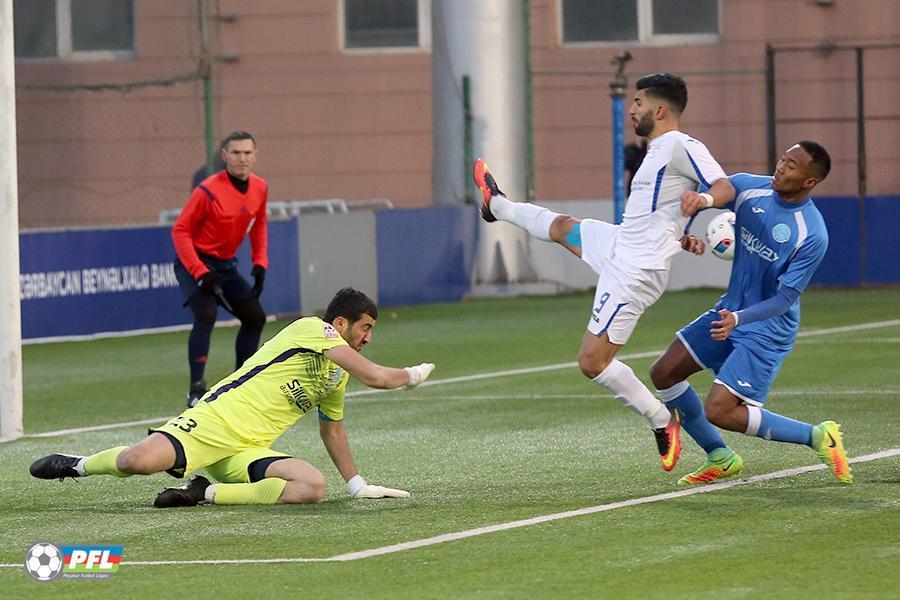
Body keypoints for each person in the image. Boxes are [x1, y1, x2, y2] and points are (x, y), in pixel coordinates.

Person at [474, 73, 733, 471]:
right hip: (620, 244)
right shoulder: (656, 151)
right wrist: (679, 235)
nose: (632, 109)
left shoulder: (683, 145)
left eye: (638, 102)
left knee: (592, 362)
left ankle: (661, 420)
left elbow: (724, 186)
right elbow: (659, 212)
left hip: (634, 271)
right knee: (563, 227)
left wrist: (704, 199)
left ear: (659, 109)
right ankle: (498, 205)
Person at [29, 288, 436, 507]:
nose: (368, 338)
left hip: (248, 450)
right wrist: (412, 375)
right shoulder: (313, 329)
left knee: (310, 487)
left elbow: (333, 431)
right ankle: (78, 464)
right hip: (214, 422)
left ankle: (202, 493)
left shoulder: (336, 374)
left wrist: (357, 485)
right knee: (135, 462)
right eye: (365, 328)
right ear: (341, 323)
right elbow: (377, 377)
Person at [649, 141, 852, 485]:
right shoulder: (751, 188)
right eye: (783, 159)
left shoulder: (812, 233)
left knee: (720, 410)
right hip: (729, 310)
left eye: (791, 166)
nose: (781, 167)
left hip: (766, 329)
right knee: (664, 372)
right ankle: (720, 456)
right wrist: (696, 214)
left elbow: (785, 298)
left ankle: (819, 436)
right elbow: (719, 190)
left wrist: (739, 319)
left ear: (810, 181)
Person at [172, 131, 270, 407]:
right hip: (194, 261)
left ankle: (241, 385)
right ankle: (196, 391)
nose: (242, 158)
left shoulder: (260, 187)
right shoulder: (207, 190)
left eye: (247, 153)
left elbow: (259, 224)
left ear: (255, 156)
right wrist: (199, 272)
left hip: (225, 265)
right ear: (225, 155)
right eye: (236, 153)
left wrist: (260, 263)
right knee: (206, 314)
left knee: (255, 318)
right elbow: (180, 231)